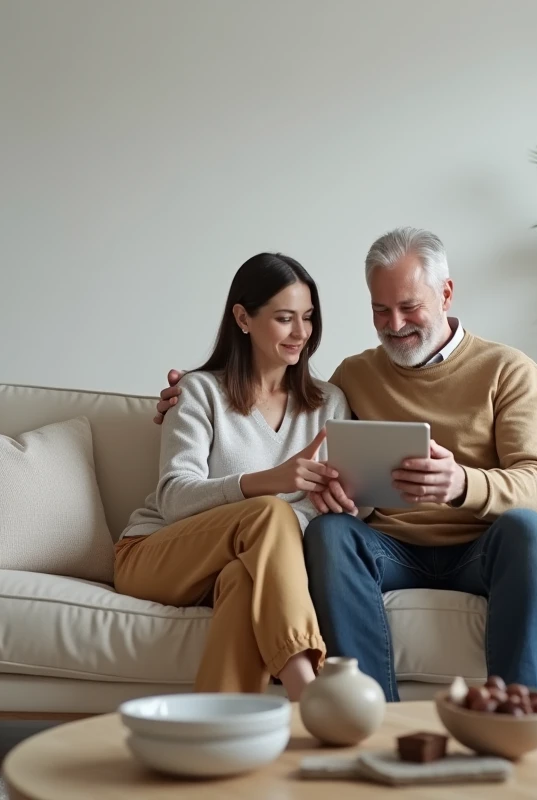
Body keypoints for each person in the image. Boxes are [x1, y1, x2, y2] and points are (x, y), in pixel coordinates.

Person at [154, 227, 537, 702]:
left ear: (446, 293)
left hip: (480, 546)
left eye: (409, 307)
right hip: (388, 548)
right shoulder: (353, 377)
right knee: (331, 532)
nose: (394, 324)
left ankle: (515, 708)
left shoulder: (508, 370)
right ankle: (371, 716)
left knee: (532, 532)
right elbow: (281, 410)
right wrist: (187, 397)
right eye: (379, 309)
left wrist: (462, 483)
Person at [117, 252, 351, 701]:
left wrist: (343, 500)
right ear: (243, 317)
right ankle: (307, 690)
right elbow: (173, 498)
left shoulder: (329, 403)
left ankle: (215, 737)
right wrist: (270, 480)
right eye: (284, 318)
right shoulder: (197, 391)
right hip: (156, 554)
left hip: (245, 564)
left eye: (308, 317)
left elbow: (335, 502)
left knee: (247, 582)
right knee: (267, 512)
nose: (301, 332)